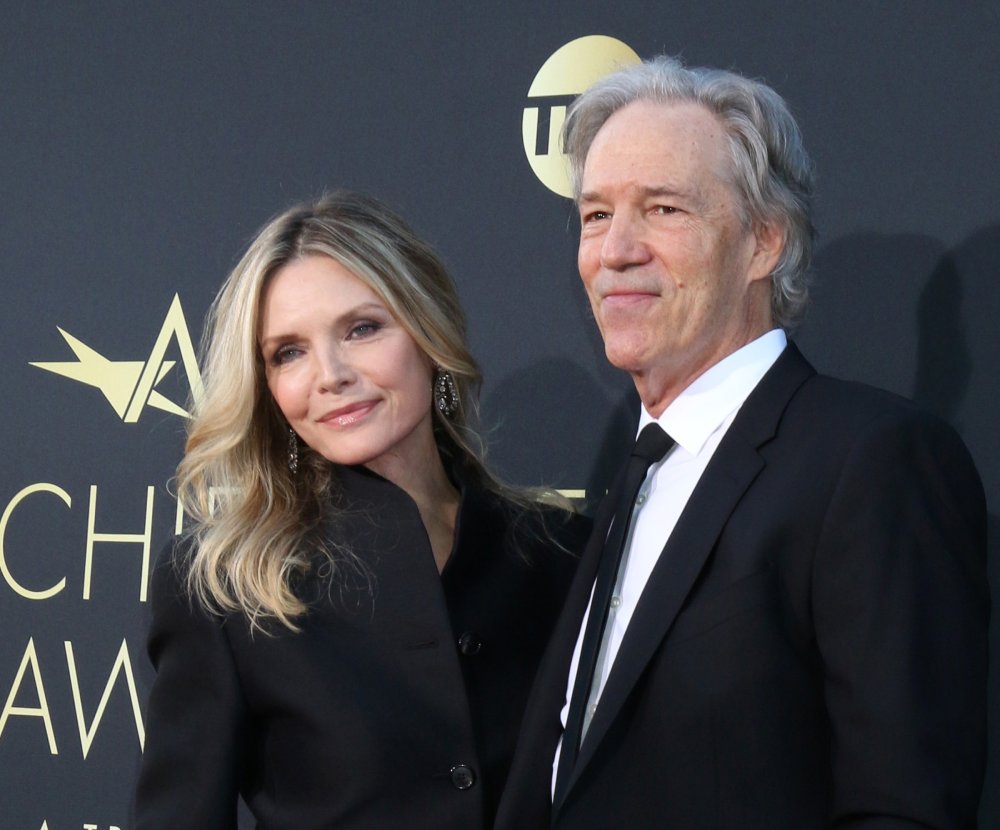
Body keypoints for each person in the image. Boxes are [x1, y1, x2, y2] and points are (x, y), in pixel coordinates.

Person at [496, 56, 989, 829]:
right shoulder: (635, 474)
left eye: (663, 209)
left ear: (764, 241)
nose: (615, 250)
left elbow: (905, 807)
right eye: (595, 215)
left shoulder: (870, 463)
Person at [134, 191, 588, 830]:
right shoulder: (224, 586)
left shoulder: (561, 553)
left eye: (362, 329)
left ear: (429, 335)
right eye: (288, 352)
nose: (330, 374)